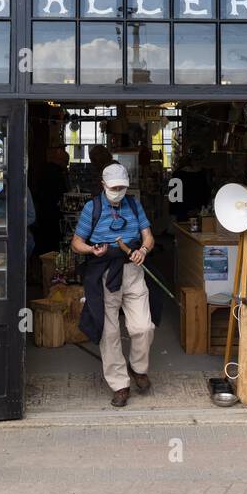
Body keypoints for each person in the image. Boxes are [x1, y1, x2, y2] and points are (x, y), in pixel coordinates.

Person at [72, 162, 161, 407]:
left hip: (132, 270)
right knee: (109, 332)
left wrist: (143, 250)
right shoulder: (93, 207)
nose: (118, 191)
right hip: (104, 273)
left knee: (143, 327)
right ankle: (120, 384)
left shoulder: (134, 204)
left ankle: (138, 368)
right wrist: (92, 249)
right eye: (113, 187)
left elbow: (149, 237)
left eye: (122, 187)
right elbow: (76, 243)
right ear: (103, 186)